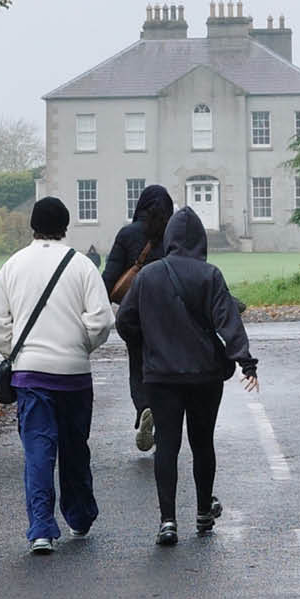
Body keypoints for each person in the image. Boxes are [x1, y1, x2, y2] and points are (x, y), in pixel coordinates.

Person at [114, 206, 258, 547]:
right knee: (202, 443)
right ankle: (203, 512)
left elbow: (124, 322)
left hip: (161, 376)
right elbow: (228, 321)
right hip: (205, 376)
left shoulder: (148, 276)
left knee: (167, 444)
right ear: (200, 241)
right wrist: (246, 362)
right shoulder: (210, 275)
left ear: (170, 239)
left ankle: (168, 521)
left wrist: (148, 343)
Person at [0, 197, 114, 555]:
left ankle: (41, 528)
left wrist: (15, 351)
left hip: (31, 375)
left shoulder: (12, 266)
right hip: (74, 374)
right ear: (65, 227)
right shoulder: (81, 265)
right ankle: (80, 516)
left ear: (33, 226)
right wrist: (81, 346)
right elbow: (102, 321)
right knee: (75, 447)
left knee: (39, 451)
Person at [101, 183, 174, 453]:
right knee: (168, 368)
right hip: (169, 316)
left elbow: (109, 279)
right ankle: (165, 421)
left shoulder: (127, 234)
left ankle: (144, 407)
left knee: (138, 365)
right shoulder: (173, 233)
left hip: (135, 316)